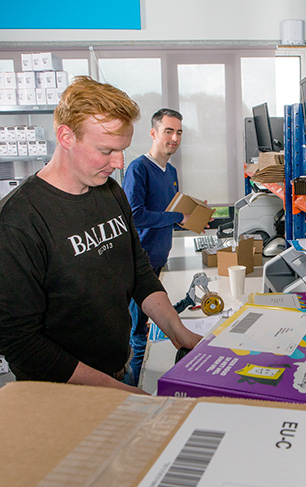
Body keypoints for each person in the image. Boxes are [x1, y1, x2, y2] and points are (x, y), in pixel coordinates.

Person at [0, 76, 201, 394]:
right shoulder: (15, 225)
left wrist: (177, 331)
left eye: (122, 150)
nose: (119, 162)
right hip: (61, 393)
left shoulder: (108, 191)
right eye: (107, 150)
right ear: (66, 136)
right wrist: (117, 391)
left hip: (115, 372)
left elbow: (137, 270)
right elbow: (21, 343)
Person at [122, 109, 187, 386]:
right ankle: (133, 391)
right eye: (168, 131)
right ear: (153, 133)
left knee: (148, 327)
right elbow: (134, 215)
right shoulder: (138, 168)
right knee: (139, 333)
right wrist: (175, 217)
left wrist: (188, 217)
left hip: (160, 260)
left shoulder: (170, 171)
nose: (174, 138)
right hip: (140, 264)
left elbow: (166, 214)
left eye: (179, 132)